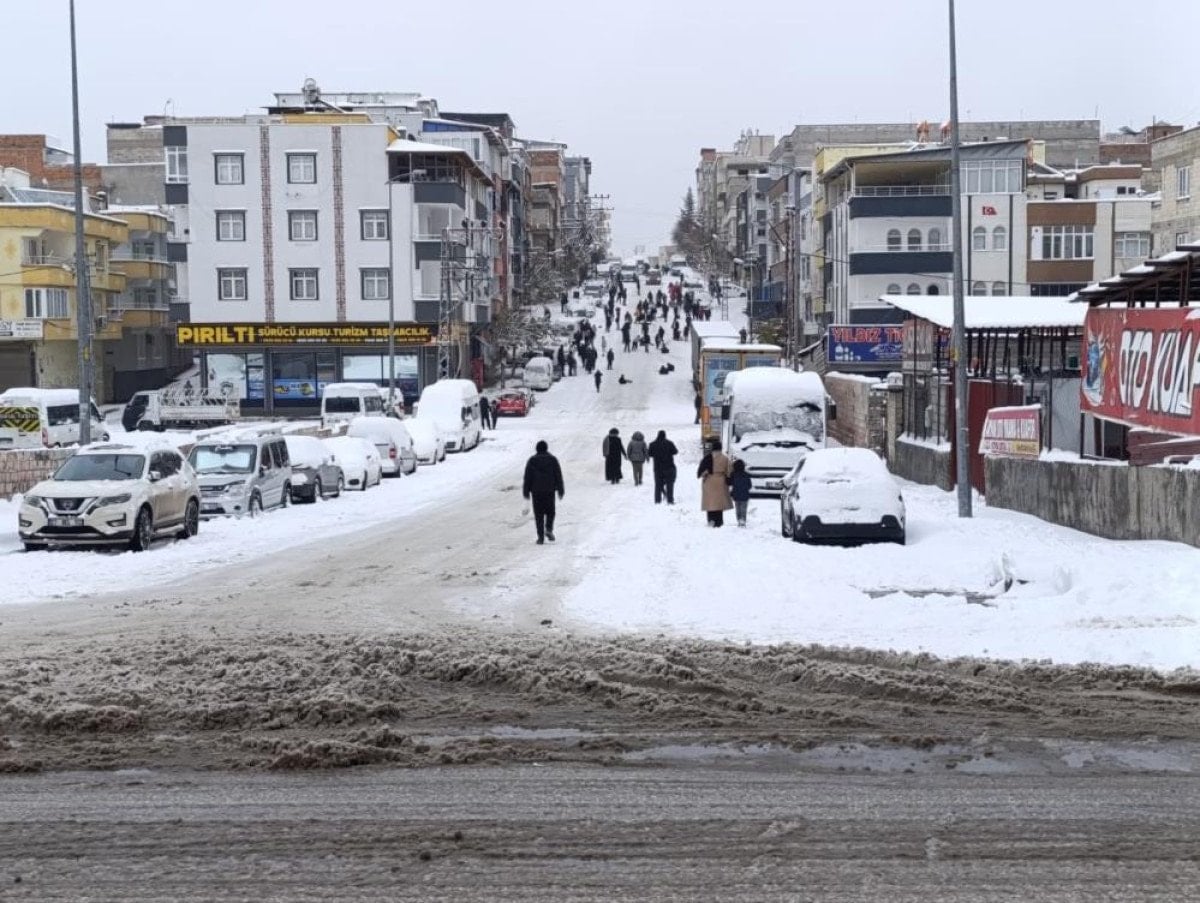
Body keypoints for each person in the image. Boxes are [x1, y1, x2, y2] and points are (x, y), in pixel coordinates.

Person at [522, 440, 564, 545]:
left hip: (536, 492)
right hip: (549, 490)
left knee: (538, 515)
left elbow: (527, 478)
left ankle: (540, 537)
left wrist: (526, 492)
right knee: (550, 512)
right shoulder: (552, 460)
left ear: (537, 449)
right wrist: (560, 489)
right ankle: (548, 528)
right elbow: (558, 475)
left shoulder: (532, 461)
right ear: (546, 448)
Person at [697, 439, 733, 527]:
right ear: (720, 448)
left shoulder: (707, 458)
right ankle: (719, 521)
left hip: (709, 481)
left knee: (710, 502)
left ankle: (711, 519)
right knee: (719, 503)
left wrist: (706, 474)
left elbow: (701, 472)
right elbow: (729, 471)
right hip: (721, 482)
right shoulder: (725, 458)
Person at [647, 430, 678, 504]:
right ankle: (670, 500)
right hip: (669, 467)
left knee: (658, 485)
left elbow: (650, 454)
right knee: (670, 484)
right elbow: (675, 452)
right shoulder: (669, 443)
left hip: (658, 468)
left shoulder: (652, 444)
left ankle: (657, 500)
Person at [729, 458, 752, 527]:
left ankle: (739, 519)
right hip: (745, 494)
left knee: (738, 508)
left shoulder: (733, 474)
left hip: (736, 494)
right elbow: (749, 485)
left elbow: (730, 483)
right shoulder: (746, 474)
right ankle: (743, 520)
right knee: (743, 508)